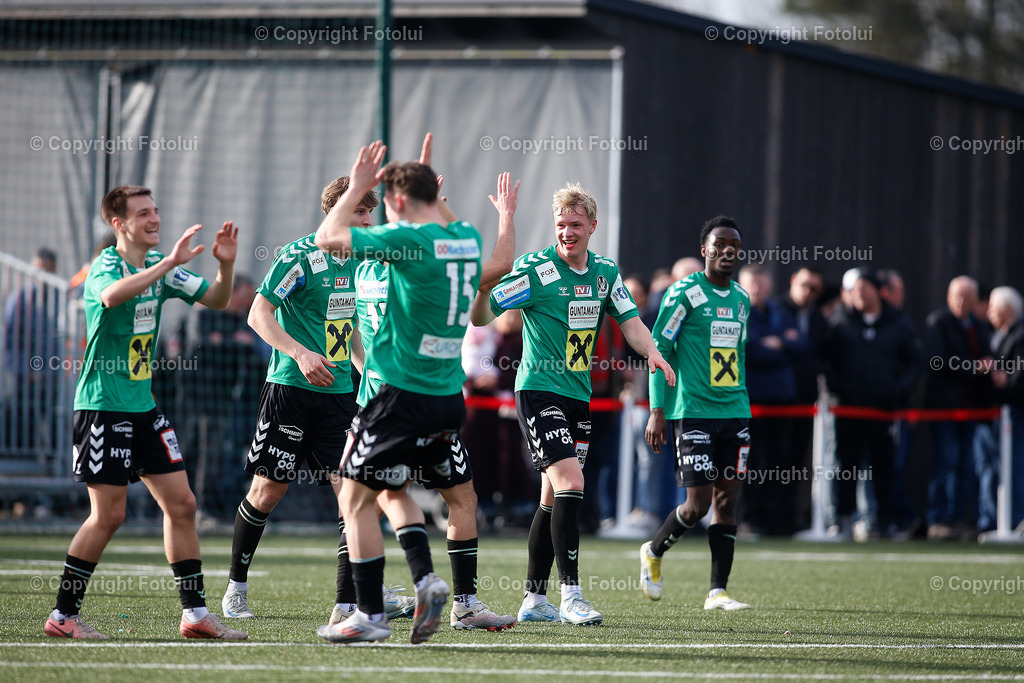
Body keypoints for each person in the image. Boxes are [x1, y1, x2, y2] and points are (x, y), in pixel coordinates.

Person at [331, 138, 518, 633]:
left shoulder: (403, 244)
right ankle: (439, 589)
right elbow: (496, 267)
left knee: (355, 498)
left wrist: (357, 185)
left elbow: (330, 235)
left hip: (394, 393)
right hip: (444, 399)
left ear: (392, 203)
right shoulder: (462, 238)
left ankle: (369, 613)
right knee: (408, 491)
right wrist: (503, 217)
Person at [45, 185, 246, 640]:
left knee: (183, 504)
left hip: (143, 408)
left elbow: (217, 299)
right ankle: (63, 615)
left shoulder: (162, 271)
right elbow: (112, 296)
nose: (154, 219)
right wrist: (169, 264)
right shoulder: (107, 265)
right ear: (119, 224)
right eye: (143, 214)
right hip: (102, 407)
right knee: (108, 516)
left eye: (156, 211)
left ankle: (195, 615)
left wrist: (226, 264)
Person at [218, 176, 418, 623]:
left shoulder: (367, 262)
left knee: (354, 496)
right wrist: (300, 353)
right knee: (268, 490)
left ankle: (351, 600)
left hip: (340, 397)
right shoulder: (300, 256)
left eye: (369, 213)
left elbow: (355, 335)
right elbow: (257, 313)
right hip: (290, 390)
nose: (366, 221)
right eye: (358, 212)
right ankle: (235, 587)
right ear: (334, 213)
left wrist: (377, 377)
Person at [474, 182, 674, 626]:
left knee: (553, 497)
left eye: (576, 225)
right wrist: (485, 283)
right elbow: (483, 315)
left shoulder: (604, 273)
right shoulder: (537, 269)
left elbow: (631, 322)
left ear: (592, 227)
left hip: (578, 398)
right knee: (571, 481)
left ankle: (532, 598)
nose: (567, 232)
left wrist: (653, 352)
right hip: (538, 390)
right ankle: (572, 595)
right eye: (561, 225)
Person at [638, 215, 752, 610]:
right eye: (719, 244)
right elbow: (659, 351)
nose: (727, 251)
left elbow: (737, 354)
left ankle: (717, 591)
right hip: (693, 411)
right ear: (704, 249)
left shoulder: (741, 299)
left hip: (736, 411)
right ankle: (653, 552)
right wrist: (657, 410)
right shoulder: (683, 294)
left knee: (728, 502)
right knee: (697, 503)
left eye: (734, 246)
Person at [821, 267, 921, 539]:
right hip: (847, 408)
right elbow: (826, 360)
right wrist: (837, 388)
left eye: (866, 288)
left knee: (884, 466)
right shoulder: (839, 321)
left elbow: (914, 361)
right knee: (845, 464)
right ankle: (841, 519)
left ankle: (883, 521)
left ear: (879, 292)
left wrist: (898, 390)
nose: (860, 294)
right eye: (855, 290)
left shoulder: (898, 323)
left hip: (883, 410)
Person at [738, 264, 806, 537]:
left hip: (783, 399)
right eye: (750, 283)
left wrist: (776, 344)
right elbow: (749, 348)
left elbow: (801, 345)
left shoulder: (781, 311)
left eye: (760, 283)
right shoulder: (738, 312)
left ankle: (778, 520)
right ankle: (750, 518)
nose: (756, 288)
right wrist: (781, 345)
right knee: (752, 462)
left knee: (781, 463)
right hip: (752, 400)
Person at [923, 276, 992, 540]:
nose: (962, 302)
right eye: (957, 296)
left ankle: (959, 518)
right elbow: (937, 361)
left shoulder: (979, 326)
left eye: (967, 297)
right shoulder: (939, 323)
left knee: (966, 465)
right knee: (946, 461)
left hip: (972, 407)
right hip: (945, 407)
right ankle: (938, 518)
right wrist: (973, 368)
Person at [780, 265, 825, 530]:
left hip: (806, 401)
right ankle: (767, 518)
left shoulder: (818, 318)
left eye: (813, 288)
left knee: (798, 460)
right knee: (775, 460)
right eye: (804, 285)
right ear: (794, 281)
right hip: (779, 400)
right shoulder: (778, 310)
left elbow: (812, 351)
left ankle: (791, 518)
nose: (808, 292)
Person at [986, 286, 1024, 530]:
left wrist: (1006, 379)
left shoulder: (1019, 335)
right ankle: (1001, 519)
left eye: (993, 307)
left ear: (1007, 309)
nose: (988, 312)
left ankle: (1016, 519)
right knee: (998, 467)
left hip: (1015, 410)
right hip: (1002, 412)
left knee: (1015, 465)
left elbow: (1018, 374)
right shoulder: (999, 335)